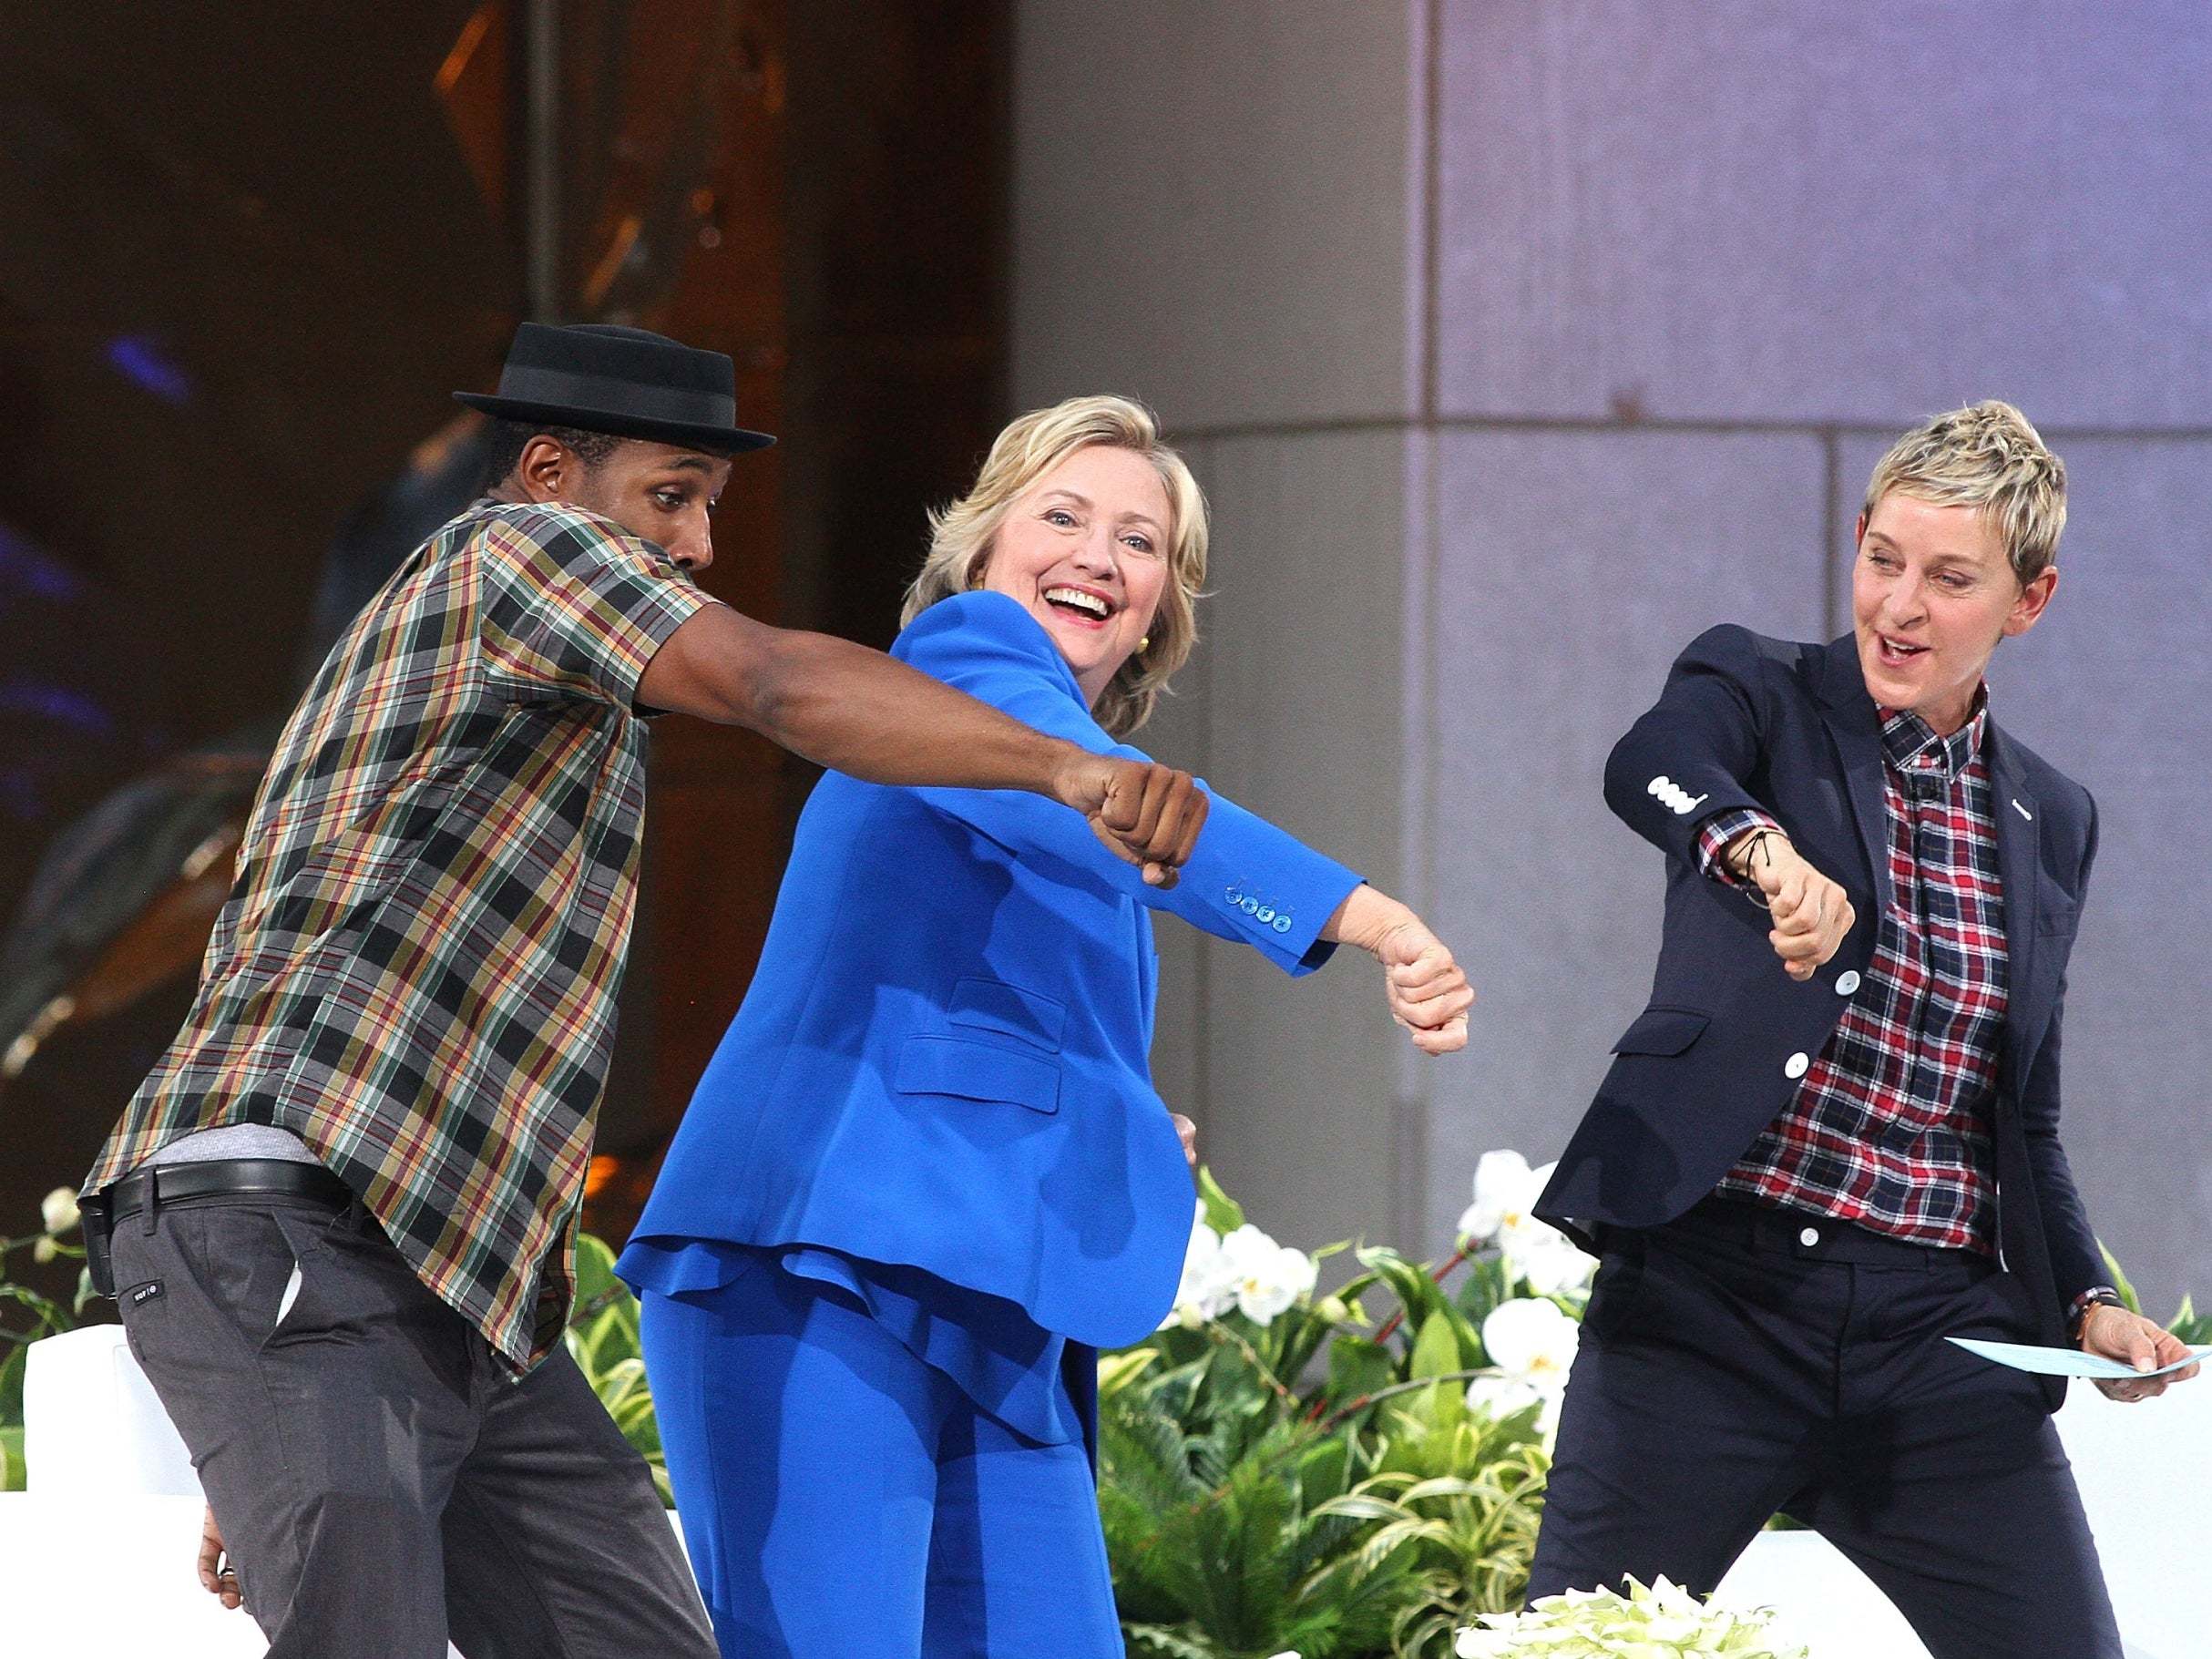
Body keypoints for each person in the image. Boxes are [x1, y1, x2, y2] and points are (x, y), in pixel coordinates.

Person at [75, 324, 1212, 1659]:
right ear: (551, 471)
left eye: (710, 507)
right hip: (293, 1215)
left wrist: (258, 1425)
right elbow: (777, 682)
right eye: (672, 496)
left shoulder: (547, 702)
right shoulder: (512, 554)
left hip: (447, 1283)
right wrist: (1069, 769)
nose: (699, 545)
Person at [620, 394, 1473, 1658]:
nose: (1097, 556)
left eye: (1139, 541)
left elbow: (1008, 1022)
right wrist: (1370, 917)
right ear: (979, 549)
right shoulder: (961, 660)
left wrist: (1120, 1121)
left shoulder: (1054, 774)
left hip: (990, 1297)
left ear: (1163, 605)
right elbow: (1114, 815)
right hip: (817, 1263)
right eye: (1062, 517)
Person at [1528, 401, 2197, 1657]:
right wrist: (1755, 847)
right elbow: (1650, 760)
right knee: (1566, 1646)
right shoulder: (1758, 689)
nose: (1900, 605)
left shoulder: (2054, 816)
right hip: (1707, 1311)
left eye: (1951, 578)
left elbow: (2020, 1120)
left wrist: (2086, 1301)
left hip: (1936, 1342)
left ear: (2030, 599)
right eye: (1883, 558)